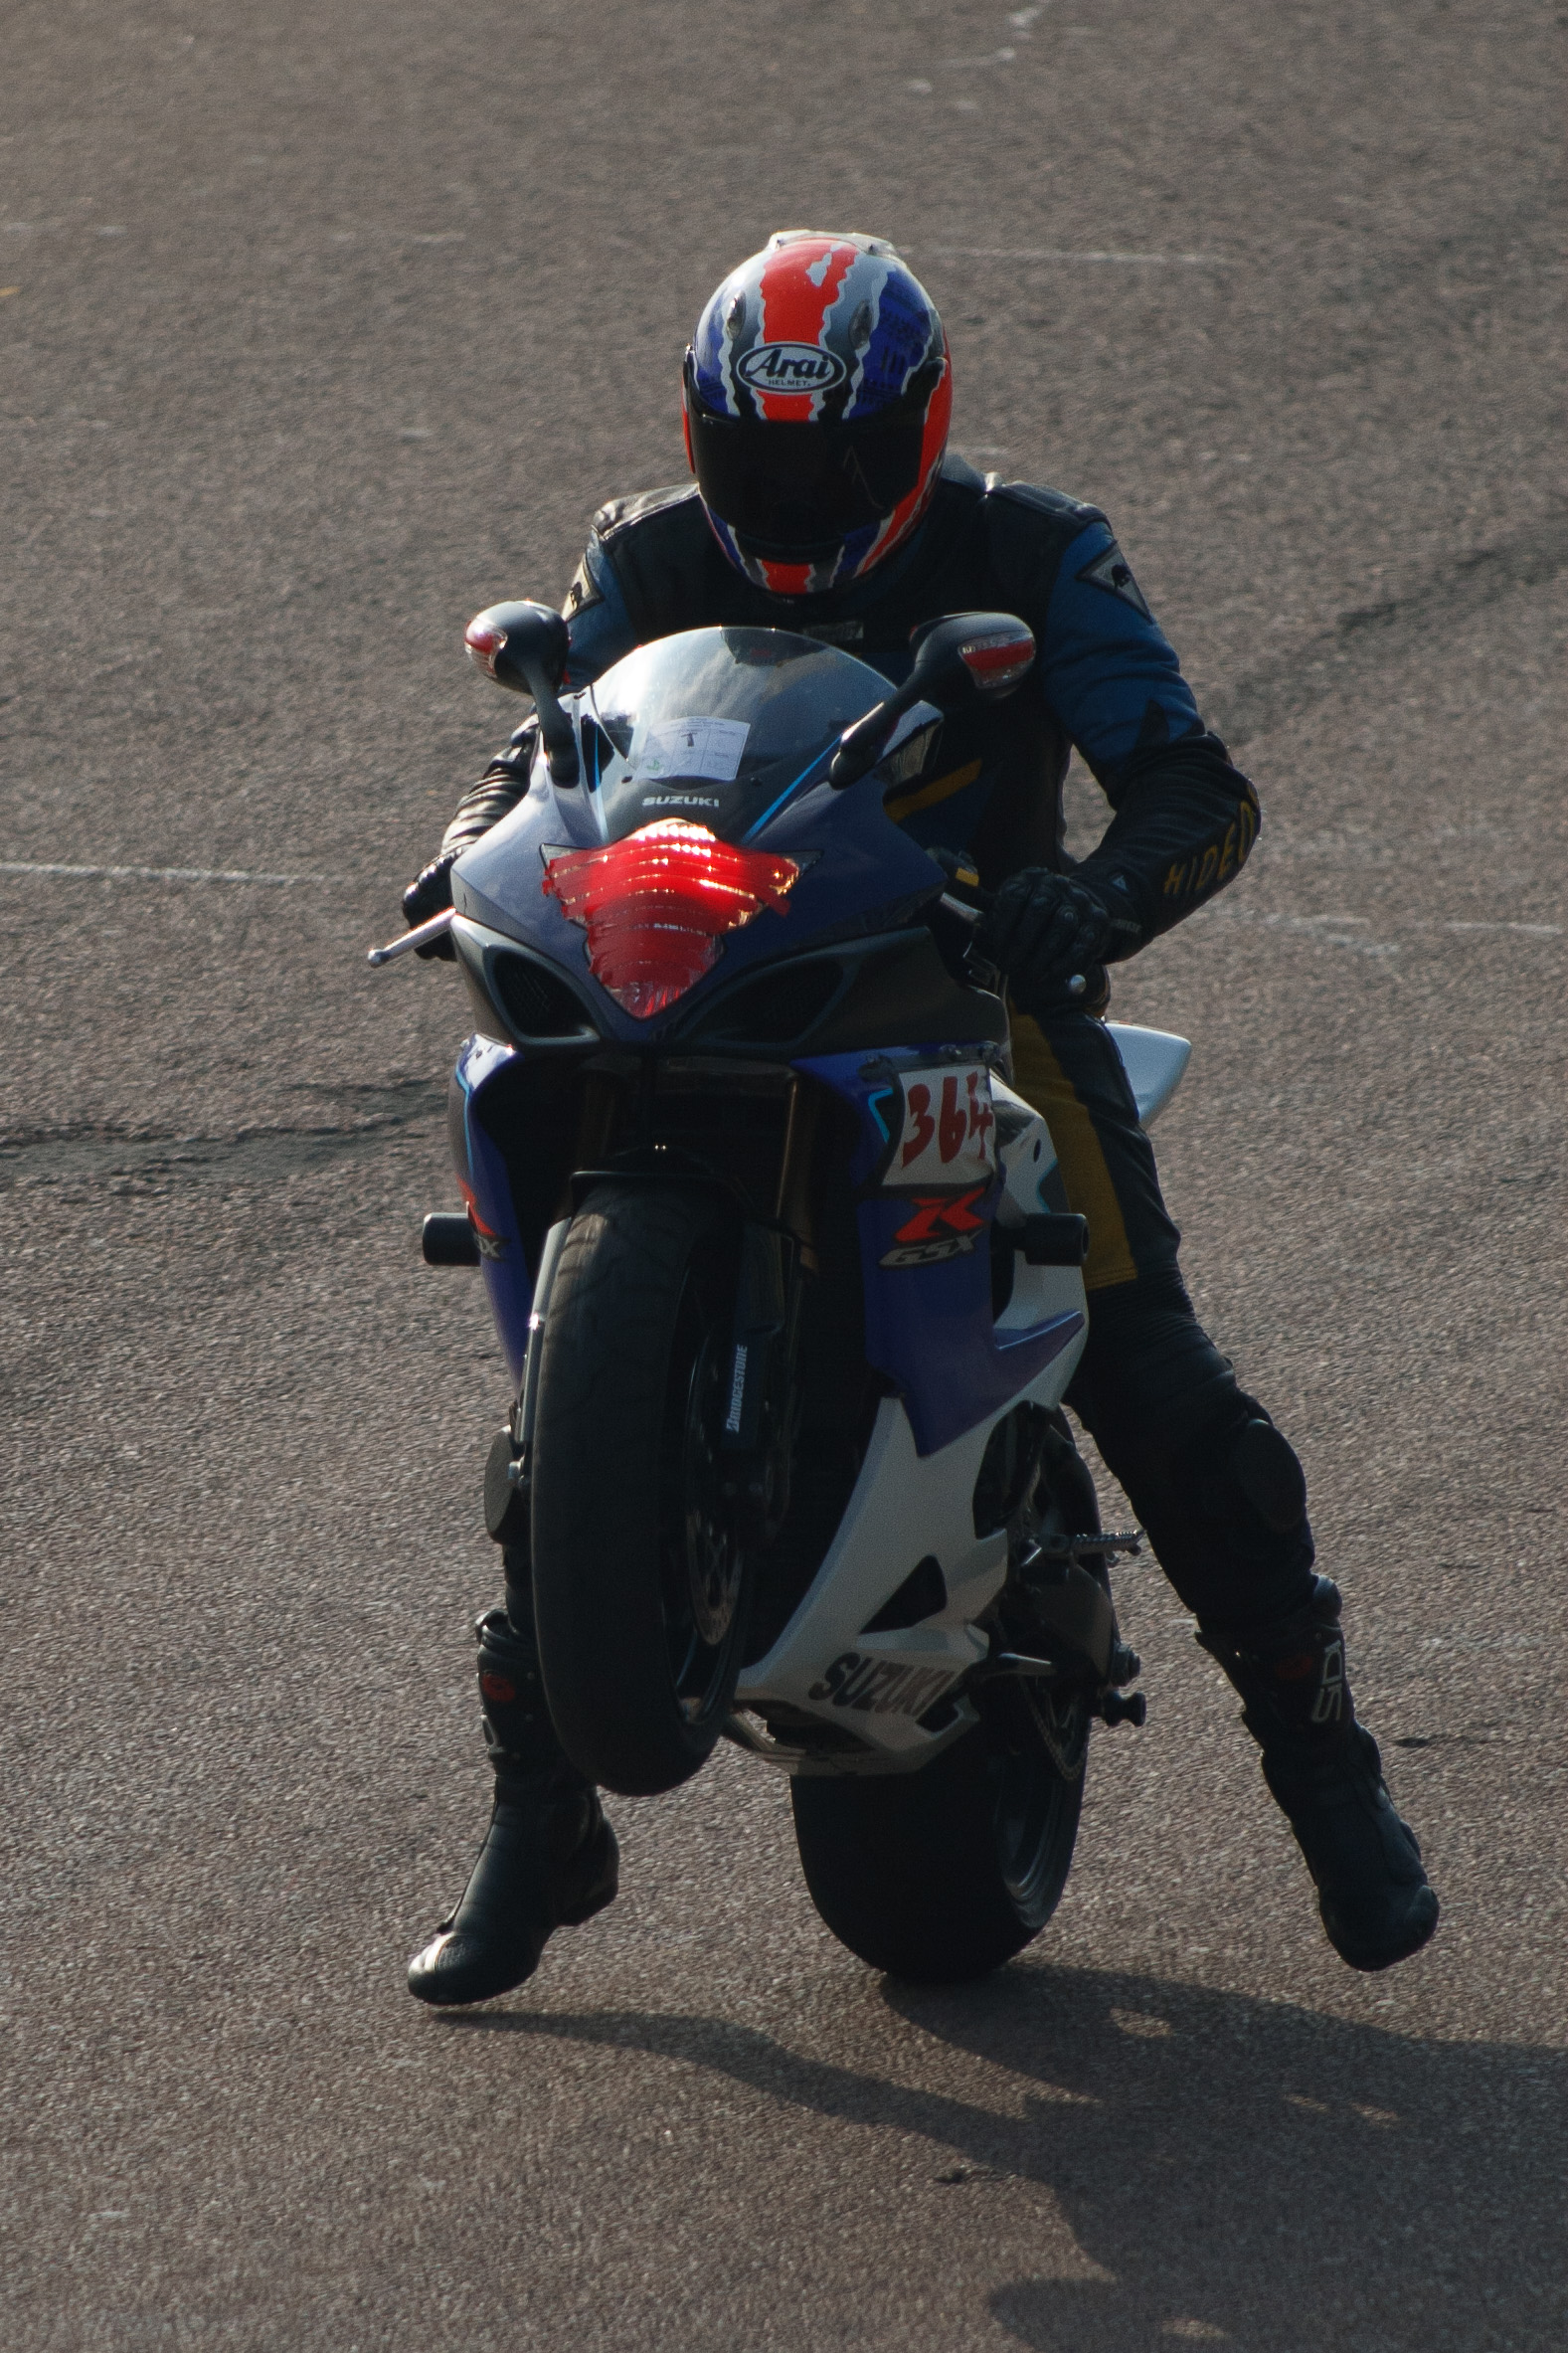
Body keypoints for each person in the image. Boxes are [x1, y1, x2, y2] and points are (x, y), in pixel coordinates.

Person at [402, 231, 1438, 2005]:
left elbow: (1191, 782)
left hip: (963, 1001)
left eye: (837, 460)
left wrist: (1091, 904)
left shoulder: (1033, 547)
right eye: (757, 459)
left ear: (918, 426)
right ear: (702, 436)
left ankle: (1323, 1773)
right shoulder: (641, 552)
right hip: (703, 997)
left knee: (1148, 1370)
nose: (793, 494)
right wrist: (465, 851)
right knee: (557, 1364)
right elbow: (546, 758)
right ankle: (536, 1817)